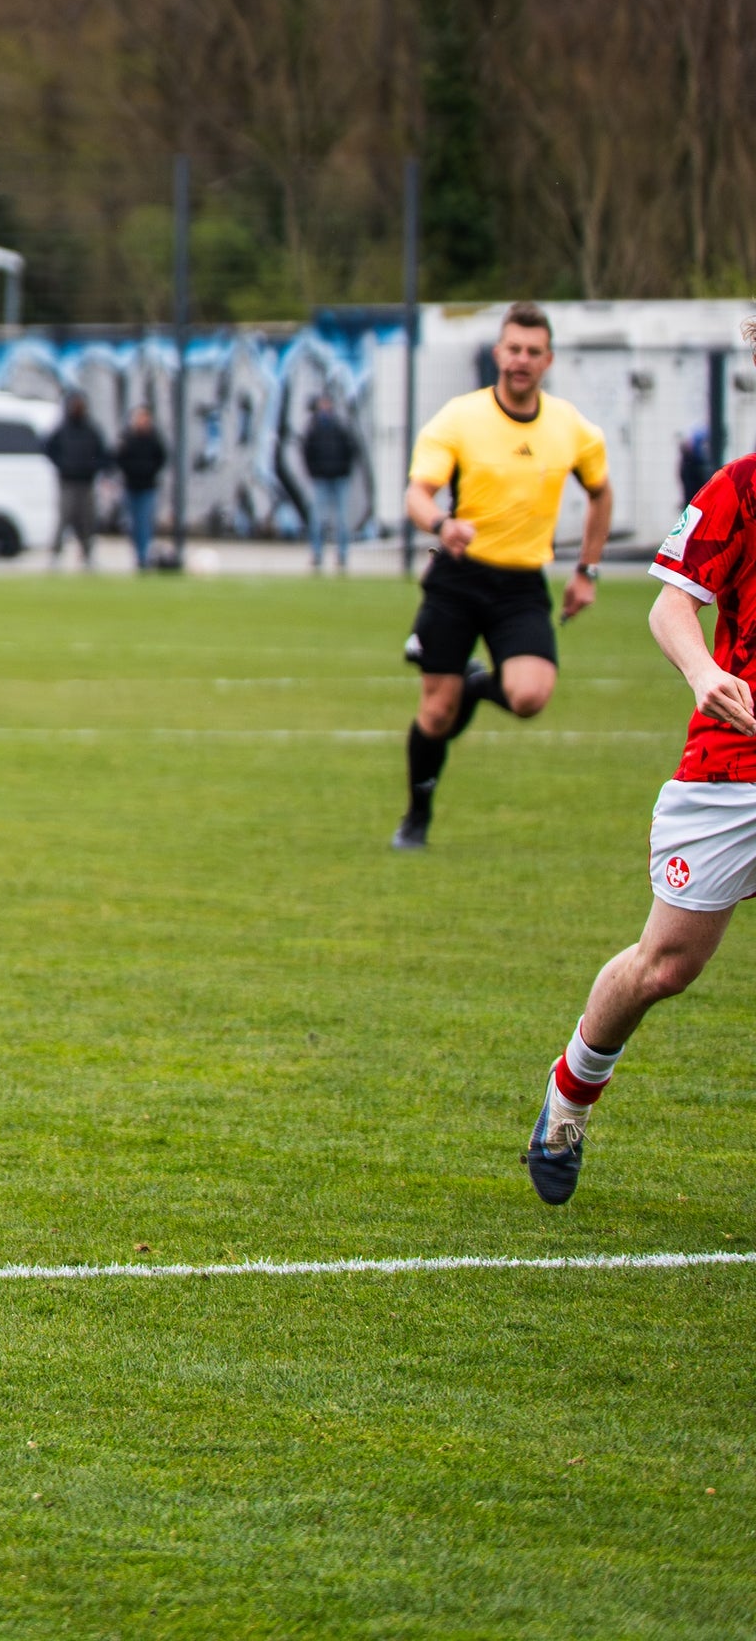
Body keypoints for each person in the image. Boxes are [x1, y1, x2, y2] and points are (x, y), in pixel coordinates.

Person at [525, 408, 756, 1203]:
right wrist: (703, 675)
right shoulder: (739, 489)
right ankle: (571, 1092)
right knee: (666, 967)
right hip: (734, 770)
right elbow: (669, 608)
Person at [397, 302, 609, 852]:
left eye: (533, 352)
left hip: (520, 585)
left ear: (548, 359)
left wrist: (586, 571)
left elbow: (600, 492)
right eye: (514, 348)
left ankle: (476, 682)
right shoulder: (460, 418)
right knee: (436, 713)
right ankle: (417, 815)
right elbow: (417, 494)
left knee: (530, 696)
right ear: (498, 353)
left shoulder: (571, 428)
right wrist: (443, 524)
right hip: (459, 577)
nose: (522, 360)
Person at [45, 393, 110, 569]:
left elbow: (104, 454)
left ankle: (87, 555)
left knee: (87, 520)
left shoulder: (91, 430)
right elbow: (48, 448)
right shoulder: (62, 430)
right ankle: (55, 555)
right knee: (64, 517)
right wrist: (63, 465)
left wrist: (95, 467)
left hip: (86, 481)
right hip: (68, 481)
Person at [301, 394, 364, 573]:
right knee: (318, 519)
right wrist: (314, 472)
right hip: (321, 478)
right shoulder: (314, 429)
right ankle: (317, 554)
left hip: (339, 478)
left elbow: (351, 449)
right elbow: (306, 452)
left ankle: (342, 555)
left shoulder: (339, 427)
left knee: (342, 520)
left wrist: (345, 470)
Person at [116, 405, 168, 569]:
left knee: (144, 523)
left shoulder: (153, 439)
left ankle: (143, 557)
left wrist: (150, 472)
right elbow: (119, 458)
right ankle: (137, 554)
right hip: (131, 486)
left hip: (147, 486)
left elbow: (162, 458)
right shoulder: (128, 439)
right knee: (132, 524)